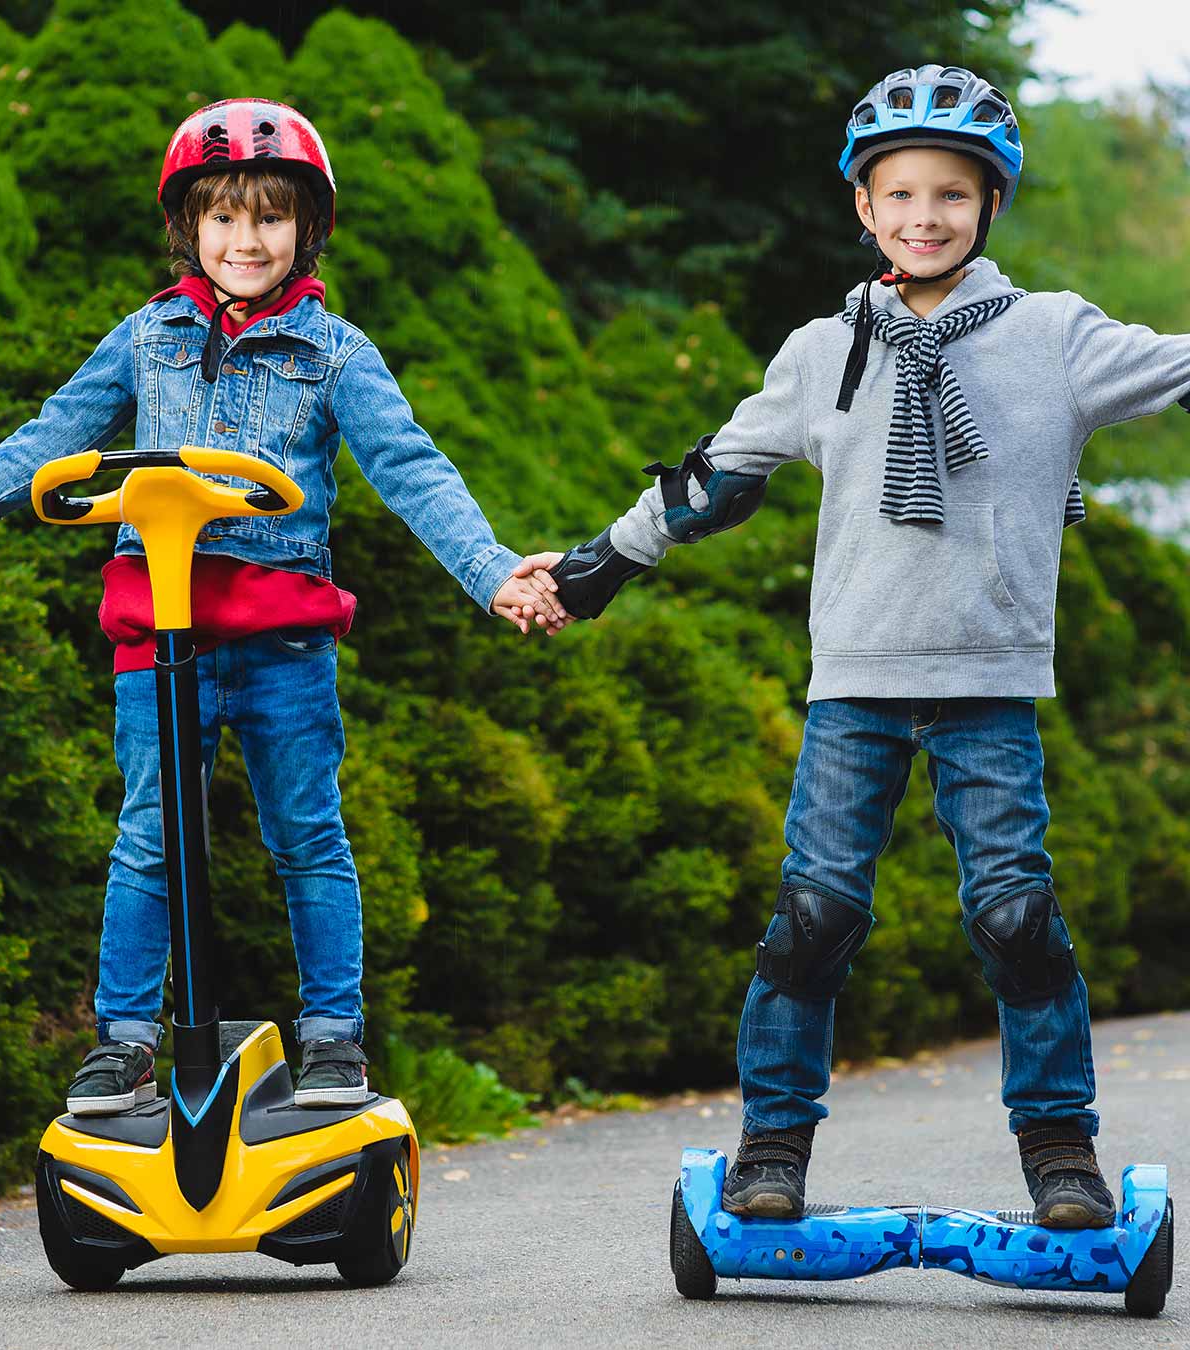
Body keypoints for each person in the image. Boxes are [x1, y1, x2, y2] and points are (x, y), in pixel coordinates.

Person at [516, 64, 1190, 1228]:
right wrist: (595, 569)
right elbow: (714, 482)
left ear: (990, 207)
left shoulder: (1054, 338)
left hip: (990, 688)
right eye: (901, 194)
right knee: (814, 919)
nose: (925, 217)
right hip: (855, 692)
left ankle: (1061, 1155)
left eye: (952, 196)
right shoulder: (823, 349)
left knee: (1015, 919)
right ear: (864, 208)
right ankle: (772, 1147)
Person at [0, 97, 565, 1114]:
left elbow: (412, 469)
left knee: (306, 830)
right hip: (157, 631)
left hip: (282, 638)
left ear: (306, 226)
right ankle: (123, 1041)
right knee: (148, 836)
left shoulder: (335, 352)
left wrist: (492, 569)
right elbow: (49, 437)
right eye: (221, 217)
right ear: (186, 229)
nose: (244, 239)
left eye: (267, 216)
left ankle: (334, 1038)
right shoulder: (144, 337)